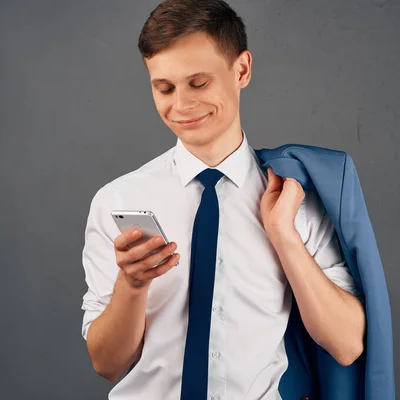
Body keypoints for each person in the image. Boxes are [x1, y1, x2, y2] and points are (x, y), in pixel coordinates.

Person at [80, 0, 366, 398]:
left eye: (199, 83)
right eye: (164, 88)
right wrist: (131, 284)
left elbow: (347, 344)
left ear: (242, 70)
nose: (181, 105)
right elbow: (107, 364)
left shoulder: (295, 197)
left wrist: (284, 236)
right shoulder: (118, 200)